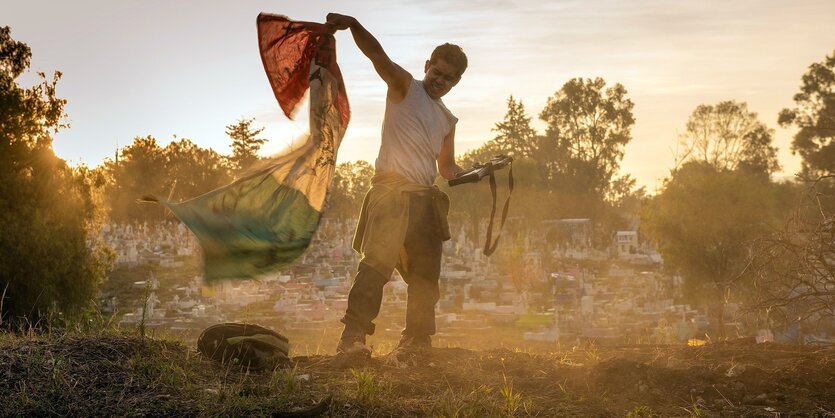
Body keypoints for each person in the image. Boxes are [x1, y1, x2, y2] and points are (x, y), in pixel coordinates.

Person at [325, 12, 467, 357]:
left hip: (424, 201)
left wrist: (478, 171)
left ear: (456, 82)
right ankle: (353, 339)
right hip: (391, 194)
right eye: (437, 72)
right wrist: (355, 25)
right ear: (427, 65)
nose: (440, 81)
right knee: (375, 266)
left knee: (425, 276)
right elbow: (377, 55)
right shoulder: (405, 87)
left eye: (448, 79)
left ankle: (416, 341)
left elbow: (447, 169)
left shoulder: (448, 120)